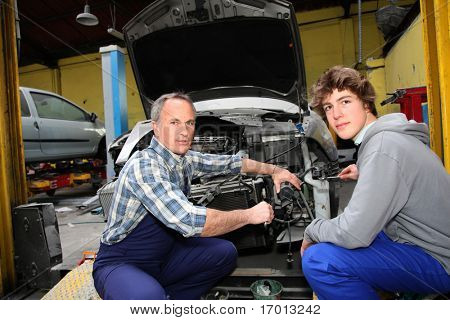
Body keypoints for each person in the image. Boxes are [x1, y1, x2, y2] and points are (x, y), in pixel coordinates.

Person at [93, 92, 301, 299]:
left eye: (190, 123)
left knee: (225, 254)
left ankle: (173, 300)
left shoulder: (185, 160)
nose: (184, 131)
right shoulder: (144, 166)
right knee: (147, 297)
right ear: (155, 127)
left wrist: (274, 170)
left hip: (165, 254)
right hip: (123, 261)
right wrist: (249, 215)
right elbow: (190, 221)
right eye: (174, 122)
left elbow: (233, 163)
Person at [301, 66, 450, 299]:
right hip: (424, 242)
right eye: (329, 107)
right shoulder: (389, 138)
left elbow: (354, 234)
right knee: (346, 232)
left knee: (320, 260)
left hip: (441, 261)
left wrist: (312, 230)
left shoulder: (382, 148)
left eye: (345, 101)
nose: (336, 114)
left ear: (366, 103)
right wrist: (365, 171)